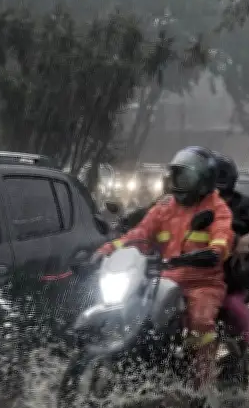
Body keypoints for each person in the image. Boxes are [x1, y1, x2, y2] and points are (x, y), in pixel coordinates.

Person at [92, 146, 234, 390]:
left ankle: (201, 386)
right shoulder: (166, 206)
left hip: (201, 282)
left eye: (184, 176)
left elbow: (222, 238)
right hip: (165, 277)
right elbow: (141, 234)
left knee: (200, 322)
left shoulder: (217, 209)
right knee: (129, 308)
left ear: (202, 181)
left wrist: (214, 252)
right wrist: (108, 249)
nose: (177, 182)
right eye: (175, 175)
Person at [213, 153, 249, 374]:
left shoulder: (244, 204)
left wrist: (243, 241)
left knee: (235, 308)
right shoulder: (194, 203)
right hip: (192, 275)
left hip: (231, 277)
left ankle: (248, 350)